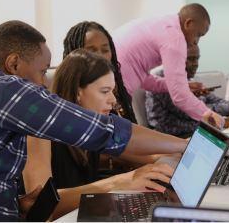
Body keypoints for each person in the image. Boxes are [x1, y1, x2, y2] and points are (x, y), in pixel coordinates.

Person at [0, 20, 193, 222]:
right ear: (14, 64)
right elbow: (106, 132)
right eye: (41, 72)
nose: (43, 84)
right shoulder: (5, 89)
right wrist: (183, 144)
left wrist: (16, 202)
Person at [22, 50, 178, 221]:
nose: (113, 100)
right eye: (104, 91)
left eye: (112, 91)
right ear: (77, 92)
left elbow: (145, 153)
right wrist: (118, 183)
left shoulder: (96, 132)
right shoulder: (39, 134)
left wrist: (183, 150)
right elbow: (41, 207)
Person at [115, 4, 224, 126]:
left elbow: (142, 78)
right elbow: (180, 97)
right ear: (188, 23)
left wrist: (179, 85)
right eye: (198, 34)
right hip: (117, 91)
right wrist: (208, 114)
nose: (196, 42)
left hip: (111, 81)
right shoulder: (175, 39)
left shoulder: (165, 23)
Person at [146, 43, 229, 138]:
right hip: (172, 134)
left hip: (192, 128)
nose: (196, 64)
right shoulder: (163, 77)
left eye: (197, 59)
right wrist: (228, 112)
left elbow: (214, 99)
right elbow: (187, 113)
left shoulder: (188, 78)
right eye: (190, 59)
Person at [62, 21, 136, 121]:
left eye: (105, 50)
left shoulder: (118, 88)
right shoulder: (68, 97)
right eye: (91, 51)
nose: (100, 56)